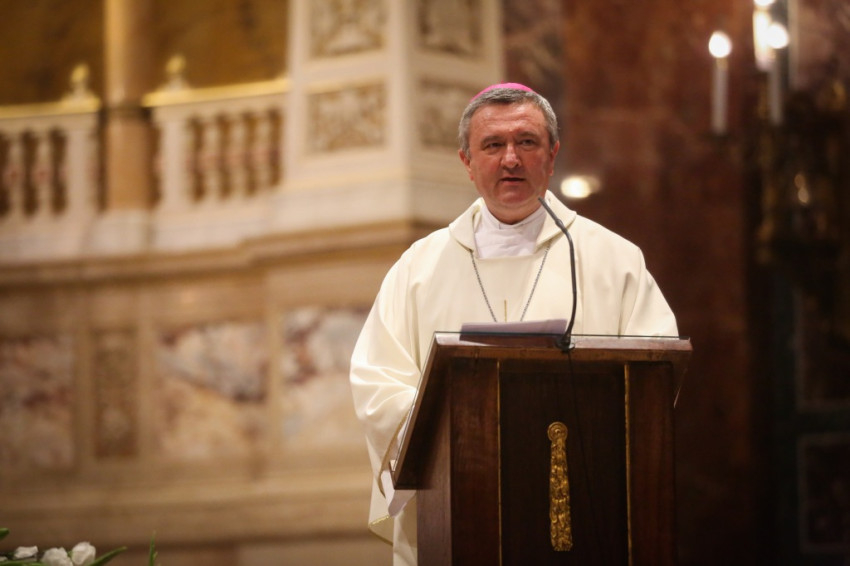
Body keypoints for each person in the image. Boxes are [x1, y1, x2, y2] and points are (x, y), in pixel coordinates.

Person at [349, 83, 678, 565]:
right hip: (458, 503)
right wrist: (452, 439)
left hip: (587, 500)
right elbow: (378, 381)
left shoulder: (613, 259)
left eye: (527, 142)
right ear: (467, 162)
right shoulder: (419, 268)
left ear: (552, 155)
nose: (511, 159)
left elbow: (654, 374)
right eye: (493, 145)